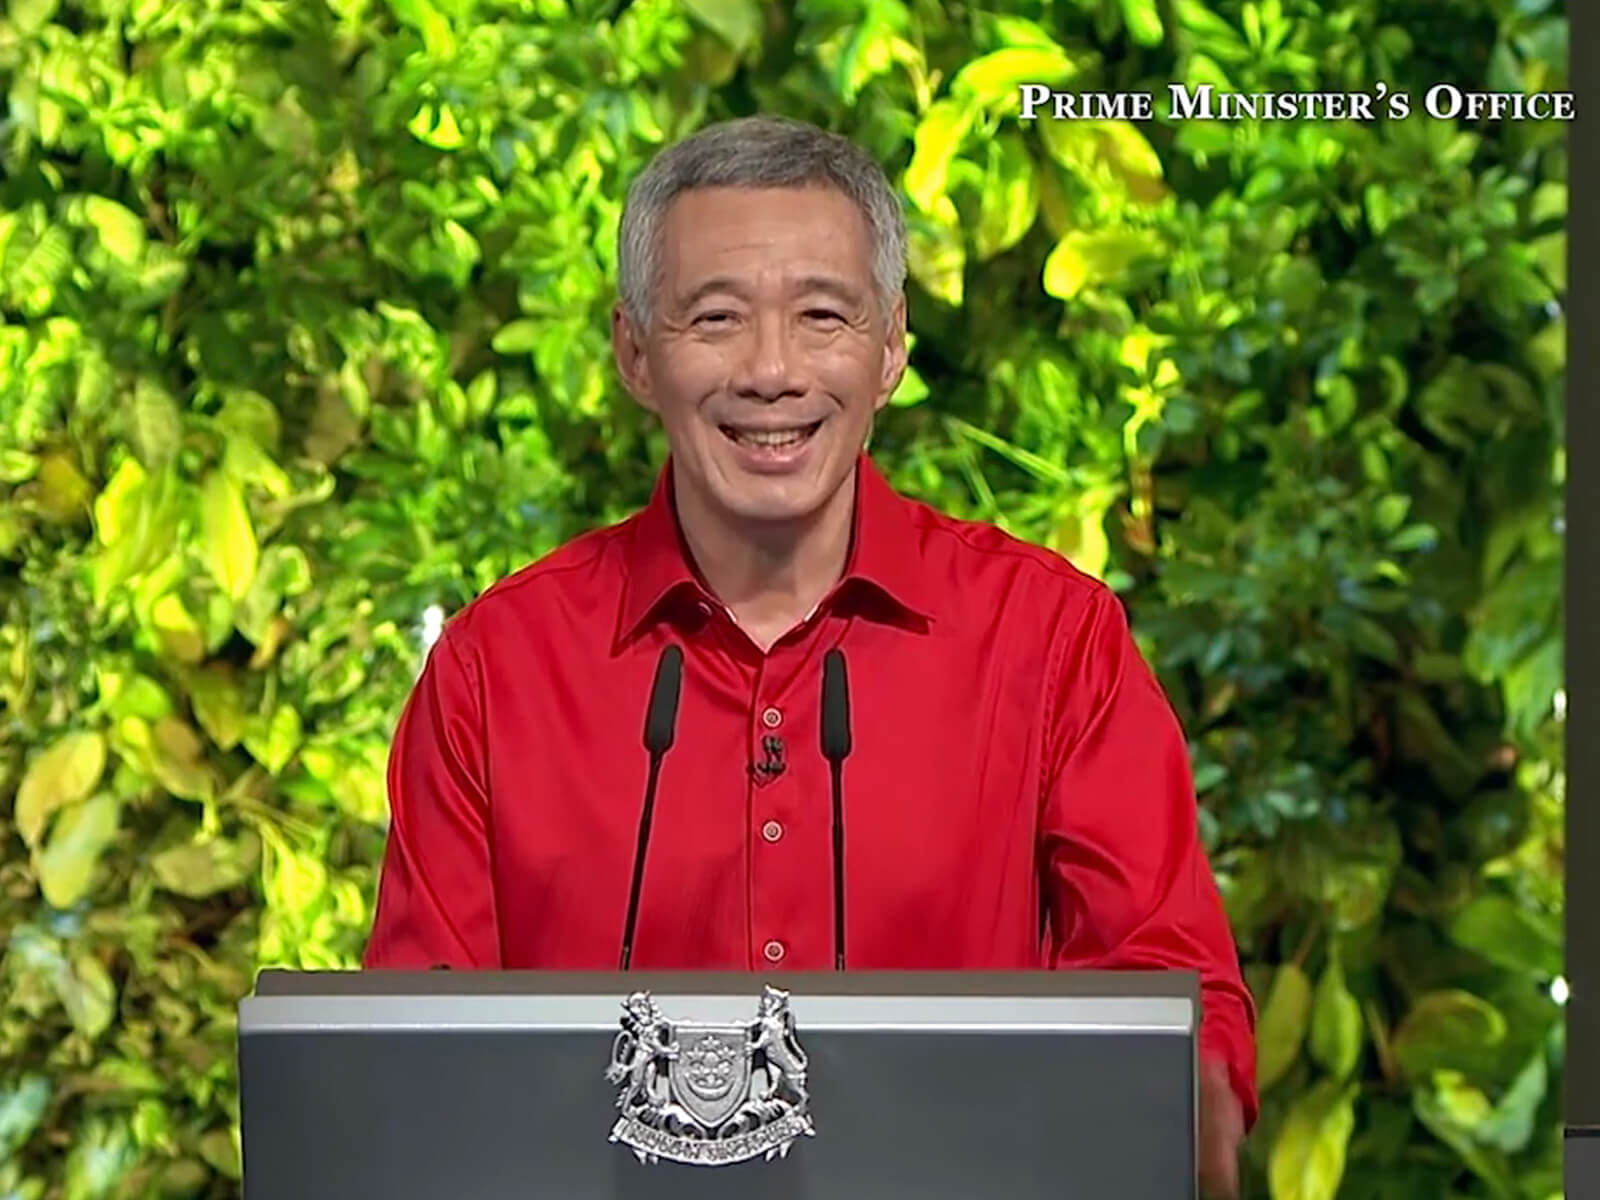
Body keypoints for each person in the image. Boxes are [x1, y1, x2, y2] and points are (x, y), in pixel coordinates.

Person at [363, 114, 1255, 1196]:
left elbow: (1166, 1002)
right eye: (717, 319)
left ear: (890, 351)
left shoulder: (1053, 641)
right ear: (635, 355)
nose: (772, 371)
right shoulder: (493, 671)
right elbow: (416, 1062)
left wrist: (1187, 1099)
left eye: (822, 316)